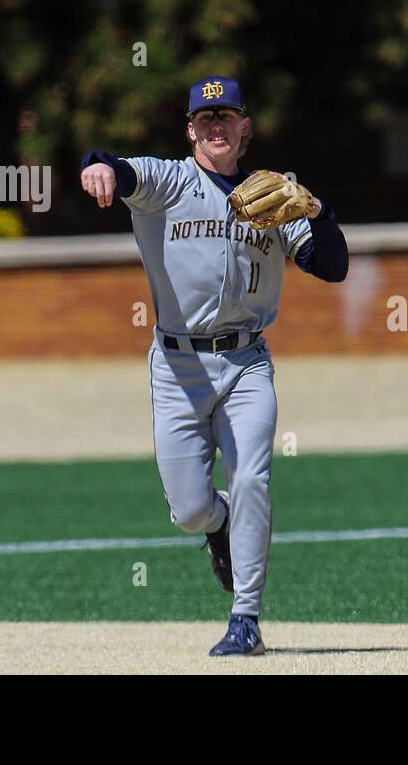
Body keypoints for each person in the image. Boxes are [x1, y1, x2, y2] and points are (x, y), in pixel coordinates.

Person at [80, 76, 348, 656]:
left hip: (247, 361)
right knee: (188, 510)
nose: (217, 126)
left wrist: (320, 211)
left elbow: (332, 267)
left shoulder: (274, 197)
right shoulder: (169, 182)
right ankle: (216, 527)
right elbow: (116, 167)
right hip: (177, 368)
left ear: (245, 126)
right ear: (190, 130)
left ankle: (245, 617)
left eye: (227, 116)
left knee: (252, 476)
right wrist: (97, 166)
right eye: (206, 119)